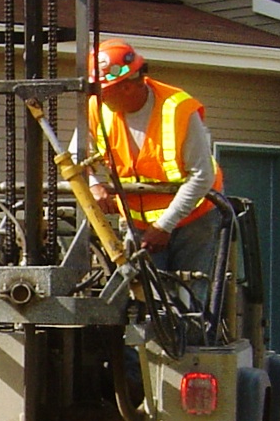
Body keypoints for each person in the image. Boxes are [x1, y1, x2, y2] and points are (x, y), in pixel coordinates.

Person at [88, 37, 224, 303]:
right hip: (139, 223)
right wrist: (93, 185)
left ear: (128, 86)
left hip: (194, 218)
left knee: (189, 298)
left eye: (104, 90)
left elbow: (202, 175)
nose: (98, 96)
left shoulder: (179, 109)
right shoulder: (97, 108)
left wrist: (164, 225)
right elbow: (75, 158)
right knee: (145, 301)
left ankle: (189, 338)